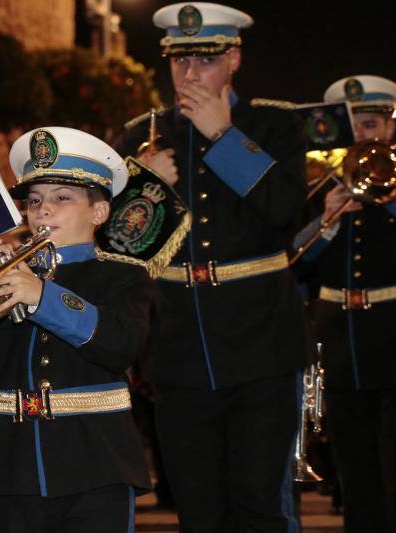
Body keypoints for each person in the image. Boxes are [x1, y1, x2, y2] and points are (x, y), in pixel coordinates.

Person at [115, 3, 310, 530]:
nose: (190, 73)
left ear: (234, 58)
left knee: (260, 506)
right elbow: (122, 251)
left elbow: (285, 210)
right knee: (199, 511)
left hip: (262, 347)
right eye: (180, 60)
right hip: (178, 351)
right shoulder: (141, 134)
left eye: (205, 59)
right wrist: (146, 190)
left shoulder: (273, 124)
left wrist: (225, 137)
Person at [0, 127, 152, 533]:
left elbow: (118, 345)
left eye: (62, 198)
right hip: (12, 464)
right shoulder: (9, 275)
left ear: (99, 212)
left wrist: (42, 296)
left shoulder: (122, 276)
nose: (42, 211)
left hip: (98, 462)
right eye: (35, 201)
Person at [292, 75, 396, 532]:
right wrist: (329, 220)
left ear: (390, 130)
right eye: (355, 125)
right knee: (354, 470)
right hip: (342, 347)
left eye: (373, 124)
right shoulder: (322, 192)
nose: (364, 135)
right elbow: (293, 264)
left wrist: (393, 199)